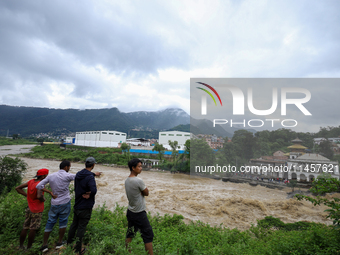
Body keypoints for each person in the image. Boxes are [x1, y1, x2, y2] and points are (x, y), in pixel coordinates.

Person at [36, 160, 75, 252]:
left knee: (50, 222)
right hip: (65, 202)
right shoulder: (68, 176)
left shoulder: (51, 176)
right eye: (69, 167)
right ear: (66, 167)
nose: (69, 168)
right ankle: (59, 243)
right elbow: (81, 176)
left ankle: (44, 245)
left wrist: (50, 192)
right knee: (63, 222)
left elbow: (38, 186)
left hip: (54, 203)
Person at [67, 157, 101, 255]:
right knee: (81, 227)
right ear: (93, 165)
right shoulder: (90, 177)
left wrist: (94, 174)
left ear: (85, 164)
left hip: (77, 203)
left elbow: (87, 175)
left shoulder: (79, 174)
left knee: (74, 224)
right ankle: (78, 249)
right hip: (85, 206)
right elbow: (94, 190)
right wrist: (90, 194)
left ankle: (69, 243)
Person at [15, 168, 54, 250]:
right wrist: (43, 199)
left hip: (29, 208)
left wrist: (27, 196)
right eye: (46, 175)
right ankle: (29, 248)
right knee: (33, 228)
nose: (47, 177)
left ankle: (21, 246)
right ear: (43, 176)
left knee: (25, 227)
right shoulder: (40, 184)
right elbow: (39, 196)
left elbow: (18, 188)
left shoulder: (31, 181)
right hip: (37, 209)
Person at [125, 158, 154, 255]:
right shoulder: (138, 180)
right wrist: (142, 191)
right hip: (139, 213)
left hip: (130, 211)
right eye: (139, 166)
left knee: (130, 232)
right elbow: (146, 193)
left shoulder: (127, 180)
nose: (141, 168)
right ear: (133, 168)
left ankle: (128, 252)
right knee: (148, 234)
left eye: (141, 166)